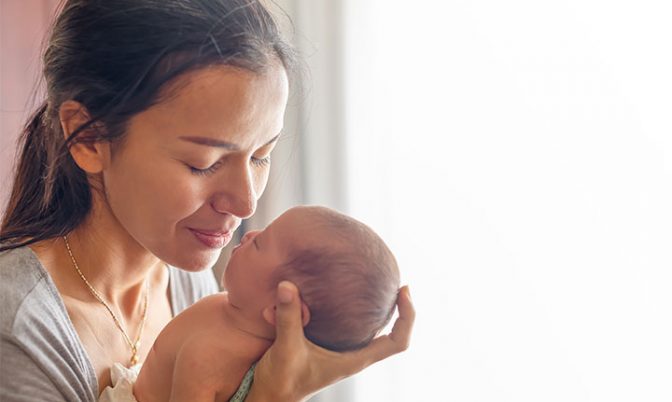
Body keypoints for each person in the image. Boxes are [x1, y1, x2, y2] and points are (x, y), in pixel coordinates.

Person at [0, 1, 414, 401]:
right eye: (204, 163)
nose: (246, 203)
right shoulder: (18, 330)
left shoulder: (192, 281)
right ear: (89, 137)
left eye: (260, 156)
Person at [129, 205, 400, 402]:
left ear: (281, 309)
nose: (249, 233)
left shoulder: (208, 355)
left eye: (259, 244)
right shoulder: (241, 319)